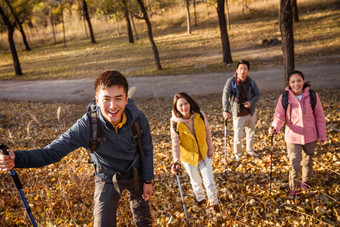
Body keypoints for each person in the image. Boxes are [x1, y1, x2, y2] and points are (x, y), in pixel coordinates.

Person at [0, 70, 154, 226]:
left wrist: (148, 180)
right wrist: (16, 158)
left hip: (136, 173)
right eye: (106, 99)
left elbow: (146, 150)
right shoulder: (87, 126)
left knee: (144, 220)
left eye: (118, 98)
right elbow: (51, 152)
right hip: (106, 177)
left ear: (127, 99)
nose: (113, 105)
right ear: (97, 100)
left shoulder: (138, 119)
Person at [269, 70, 326, 198]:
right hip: (293, 136)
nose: (296, 84)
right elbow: (279, 116)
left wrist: (322, 135)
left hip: (310, 135)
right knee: (294, 163)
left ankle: (305, 182)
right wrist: (274, 128)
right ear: (289, 84)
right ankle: (293, 188)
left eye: (299, 81)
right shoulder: (284, 98)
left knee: (307, 161)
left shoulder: (312, 95)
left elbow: (320, 116)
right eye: (293, 82)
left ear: (303, 81)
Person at [170, 92, 219, 212]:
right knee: (196, 181)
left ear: (190, 103)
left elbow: (207, 132)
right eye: (180, 105)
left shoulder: (199, 115)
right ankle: (201, 199)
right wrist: (176, 161)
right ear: (176, 108)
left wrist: (210, 149)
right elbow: (175, 144)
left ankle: (214, 203)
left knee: (209, 181)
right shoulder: (175, 123)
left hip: (204, 153)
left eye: (185, 104)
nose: (184, 107)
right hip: (188, 157)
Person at [222, 60, 260, 161]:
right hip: (238, 113)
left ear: (248, 71)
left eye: (245, 69)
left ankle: (250, 150)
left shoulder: (251, 82)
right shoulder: (231, 82)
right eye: (241, 69)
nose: (243, 71)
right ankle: (238, 153)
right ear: (237, 70)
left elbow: (257, 94)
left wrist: (251, 102)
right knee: (238, 135)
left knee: (251, 133)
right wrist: (226, 110)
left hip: (250, 112)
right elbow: (225, 96)